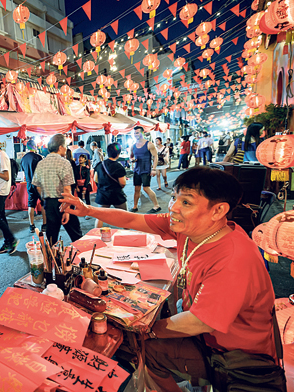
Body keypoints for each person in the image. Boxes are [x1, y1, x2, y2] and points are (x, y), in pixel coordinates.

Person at [58, 167, 278, 392]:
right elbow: (134, 219)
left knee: (144, 348)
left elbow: (200, 322)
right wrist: (88, 210)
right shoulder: (193, 229)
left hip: (235, 355)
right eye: (174, 198)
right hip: (210, 336)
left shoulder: (233, 258)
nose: (173, 207)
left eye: (186, 202)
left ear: (218, 210)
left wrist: (148, 329)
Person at [32, 134, 82, 246]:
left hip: (48, 203)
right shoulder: (64, 162)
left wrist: (45, 200)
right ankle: (82, 260)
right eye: (65, 146)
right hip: (63, 202)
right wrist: (67, 208)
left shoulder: (41, 163)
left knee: (51, 238)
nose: (66, 149)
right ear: (60, 147)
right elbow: (67, 188)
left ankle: (52, 262)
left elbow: (37, 186)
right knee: (76, 235)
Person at [94, 143, 127, 228]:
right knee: (126, 216)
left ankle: (96, 236)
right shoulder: (118, 166)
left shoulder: (100, 165)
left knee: (100, 217)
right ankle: (128, 234)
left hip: (103, 195)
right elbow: (122, 183)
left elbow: (95, 179)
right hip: (116, 194)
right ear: (118, 154)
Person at [129, 126, 161, 213]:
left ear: (142, 133)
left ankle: (156, 206)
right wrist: (132, 160)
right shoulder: (133, 146)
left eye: (137, 132)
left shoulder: (149, 144)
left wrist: (153, 169)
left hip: (146, 169)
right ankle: (135, 206)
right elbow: (131, 156)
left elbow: (155, 157)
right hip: (137, 170)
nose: (136, 134)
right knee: (137, 188)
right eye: (135, 133)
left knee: (146, 188)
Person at [21, 139, 47, 233]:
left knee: (31, 204)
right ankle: (44, 225)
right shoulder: (38, 157)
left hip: (29, 184)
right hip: (39, 184)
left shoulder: (23, 158)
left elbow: (24, 171)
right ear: (34, 146)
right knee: (43, 203)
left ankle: (31, 225)